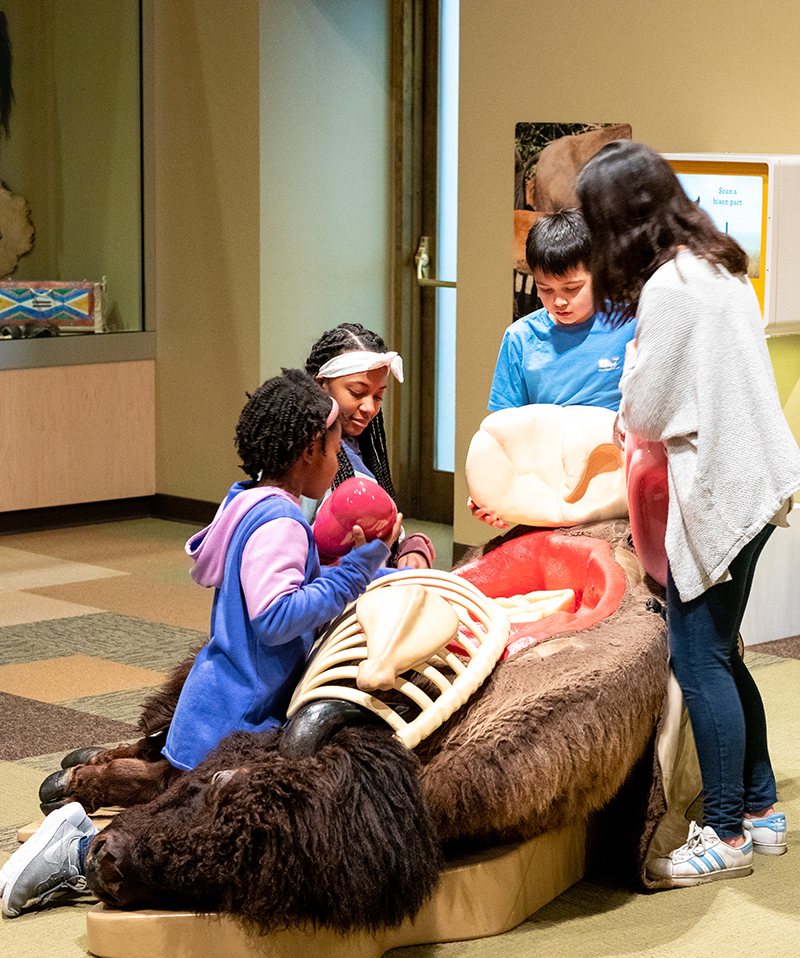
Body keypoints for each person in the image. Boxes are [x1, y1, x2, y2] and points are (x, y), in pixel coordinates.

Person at [1, 368, 402, 917]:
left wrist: (348, 567)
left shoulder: (248, 502)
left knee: (175, 793)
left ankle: (82, 803)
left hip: (213, 697)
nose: (338, 462)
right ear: (310, 449)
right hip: (241, 715)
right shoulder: (282, 522)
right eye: (335, 450)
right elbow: (275, 617)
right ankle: (73, 852)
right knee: (201, 824)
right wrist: (355, 571)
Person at [576, 139, 800, 886]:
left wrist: (631, 365)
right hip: (759, 482)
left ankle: (727, 832)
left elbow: (645, 410)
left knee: (697, 657)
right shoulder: (718, 264)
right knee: (724, 651)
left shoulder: (670, 287)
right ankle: (761, 810)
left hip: (721, 492)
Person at [473, 209, 636, 527]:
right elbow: (504, 438)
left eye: (572, 288)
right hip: (544, 496)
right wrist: (489, 493)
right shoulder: (520, 339)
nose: (559, 301)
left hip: (615, 493)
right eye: (545, 289)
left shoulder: (630, 327)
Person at [303, 322, 434, 569]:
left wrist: (410, 547)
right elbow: (285, 547)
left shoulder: (358, 449)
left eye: (378, 396)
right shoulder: (304, 457)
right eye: (356, 392)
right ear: (321, 385)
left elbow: (384, 532)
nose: (370, 408)